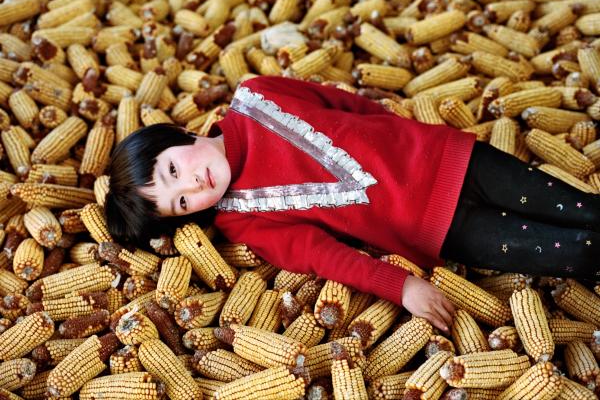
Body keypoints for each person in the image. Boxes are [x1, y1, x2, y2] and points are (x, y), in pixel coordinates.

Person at [106, 75, 600, 333]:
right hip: (442, 228)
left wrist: (403, 132)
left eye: (173, 171)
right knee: (578, 253)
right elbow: (324, 257)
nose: (192, 185)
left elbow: (345, 106)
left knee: (585, 210)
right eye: (182, 203)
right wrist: (402, 286)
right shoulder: (243, 219)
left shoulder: (256, 96)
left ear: (177, 136)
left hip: (453, 158)